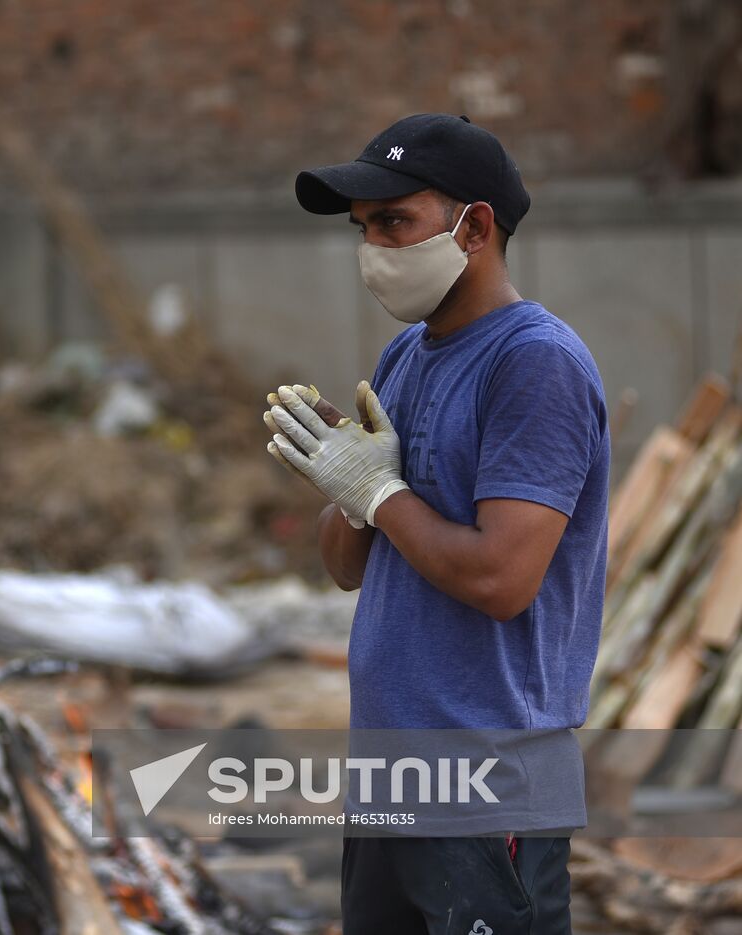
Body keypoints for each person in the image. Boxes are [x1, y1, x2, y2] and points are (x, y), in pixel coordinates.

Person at [263, 113, 610, 933]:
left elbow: (501, 579)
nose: (373, 249)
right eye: (363, 228)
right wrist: (349, 488)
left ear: (475, 226)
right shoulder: (407, 357)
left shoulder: (536, 363)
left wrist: (385, 496)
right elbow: (349, 567)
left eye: (394, 222)